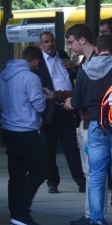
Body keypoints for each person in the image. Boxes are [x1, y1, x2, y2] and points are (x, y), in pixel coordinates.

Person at [0, 45, 51, 225]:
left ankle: (14, 215)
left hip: (8, 131)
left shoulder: (4, 75)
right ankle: (21, 213)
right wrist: (43, 96)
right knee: (39, 171)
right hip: (27, 131)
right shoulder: (31, 77)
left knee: (16, 174)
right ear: (36, 62)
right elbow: (39, 107)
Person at [66, 33, 112, 225]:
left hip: (95, 125)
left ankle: (97, 223)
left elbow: (78, 102)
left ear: (96, 49)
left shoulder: (84, 71)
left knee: (95, 176)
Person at [36, 31, 85, 194]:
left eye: (51, 41)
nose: (49, 44)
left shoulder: (63, 55)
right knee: (48, 149)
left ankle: (81, 181)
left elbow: (73, 77)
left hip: (67, 107)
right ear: (40, 45)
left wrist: (73, 67)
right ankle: (52, 182)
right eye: (45, 42)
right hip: (49, 109)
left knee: (71, 147)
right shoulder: (39, 62)